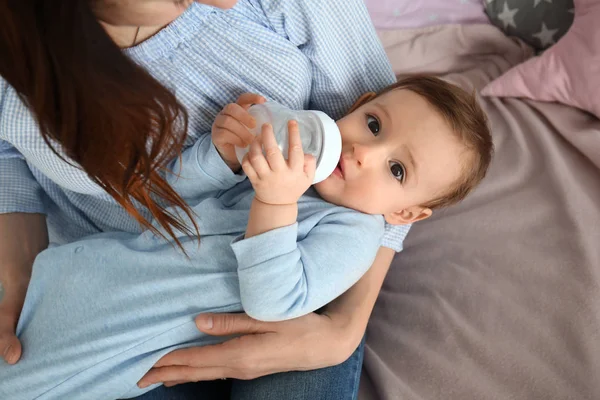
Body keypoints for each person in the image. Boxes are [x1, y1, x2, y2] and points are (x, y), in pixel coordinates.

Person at [0, 0, 414, 398]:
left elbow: (410, 142)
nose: (227, 4)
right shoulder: (18, 75)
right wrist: (16, 274)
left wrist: (344, 328)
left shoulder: (343, 226)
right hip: (129, 288)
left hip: (288, 301)